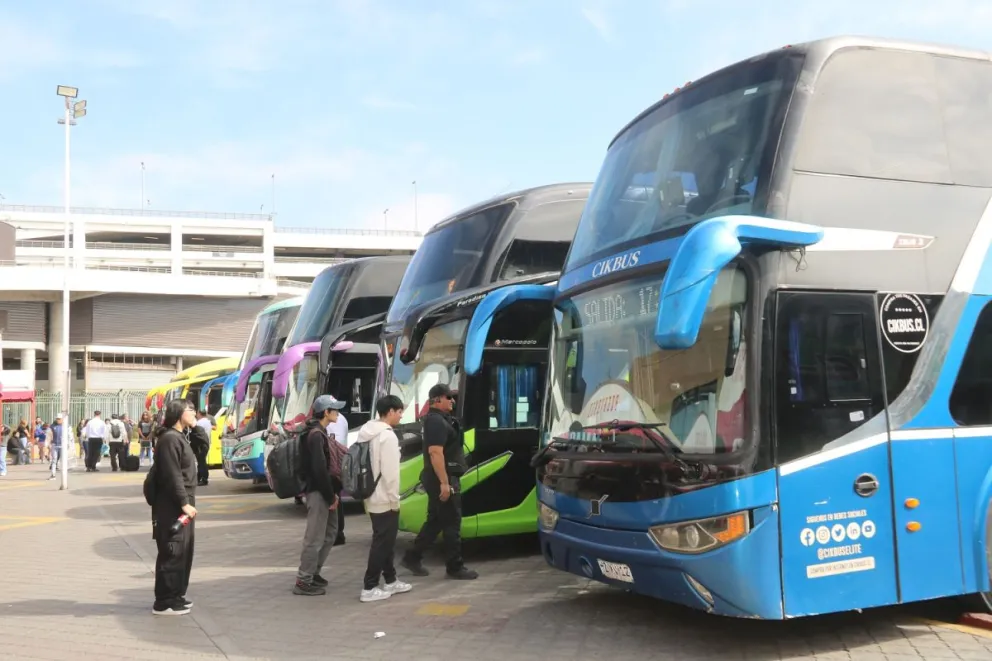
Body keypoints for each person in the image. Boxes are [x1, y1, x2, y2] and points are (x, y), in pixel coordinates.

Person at [401, 384, 478, 580]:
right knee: (452, 522)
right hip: (442, 478)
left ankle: (412, 557)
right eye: (448, 397)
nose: (452, 401)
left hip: (443, 477)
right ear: (436, 399)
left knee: (435, 521)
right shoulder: (435, 421)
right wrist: (445, 483)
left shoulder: (441, 420)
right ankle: (455, 566)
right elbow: (435, 453)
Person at [356, 394, 411, 602]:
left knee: (385, 540)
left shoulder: (367, 431)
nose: (400, 415)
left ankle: (391, 580)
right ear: (390, 412)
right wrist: (394, 500)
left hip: (370, 493)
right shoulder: (387, 436)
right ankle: (369, 587)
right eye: (399, 412)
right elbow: (390, 474)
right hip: (384, 498)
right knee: (382, 542)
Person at [149, 399, 199, 615]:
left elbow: (203, 449)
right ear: (179, 413)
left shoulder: (180, 437)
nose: (195, 412)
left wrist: (196, 428)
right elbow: (172, 475)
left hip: (181, 505)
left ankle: (177, 595)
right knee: (172, 551)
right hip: (172, 507)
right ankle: (164, 602)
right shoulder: (169, 439)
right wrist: (184, 502)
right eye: (191, 410)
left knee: (183, 552)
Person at [293, 394, 345, 596]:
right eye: (335, 409)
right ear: (326, 412)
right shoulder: (315, 435)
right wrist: (330, 495)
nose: (338, 413)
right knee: (314, 538)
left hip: (326, 491)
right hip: (318, 492)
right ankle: (303, 580)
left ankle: (314, 572)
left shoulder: (319, 432)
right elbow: (319, 469)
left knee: (331, 533)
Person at [325, 396, 349, 547]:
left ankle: (337, 534)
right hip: (336, 468)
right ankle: (337, 533)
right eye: (336, 409)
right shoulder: (339, 420)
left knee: (333, 501)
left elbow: (335, 446)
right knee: (335, 501)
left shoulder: (337, 422)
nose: (338, 413)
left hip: (333, 469)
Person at [193, 410, 213, 486]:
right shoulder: (208, 422)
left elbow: (196, 433)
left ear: (199, 414)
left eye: (197, 413)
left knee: (201, 462)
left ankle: (204, 479)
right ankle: (199, 477)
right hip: (206, 443)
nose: (196, 415)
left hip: (201, 444)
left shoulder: (199, 423)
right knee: (201, 462)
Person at [48, 414, 67, 480]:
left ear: (62, 419)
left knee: (63, 460)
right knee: (54, 460)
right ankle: (53, 475)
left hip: (63, 446)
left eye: (59, 419)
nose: (58, 420)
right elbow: (48, 436)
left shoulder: (66, 426)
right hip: (54, 445)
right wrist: (47, 444)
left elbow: (70, 436)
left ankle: (64, 476)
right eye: (57, 419)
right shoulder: (52, 426)